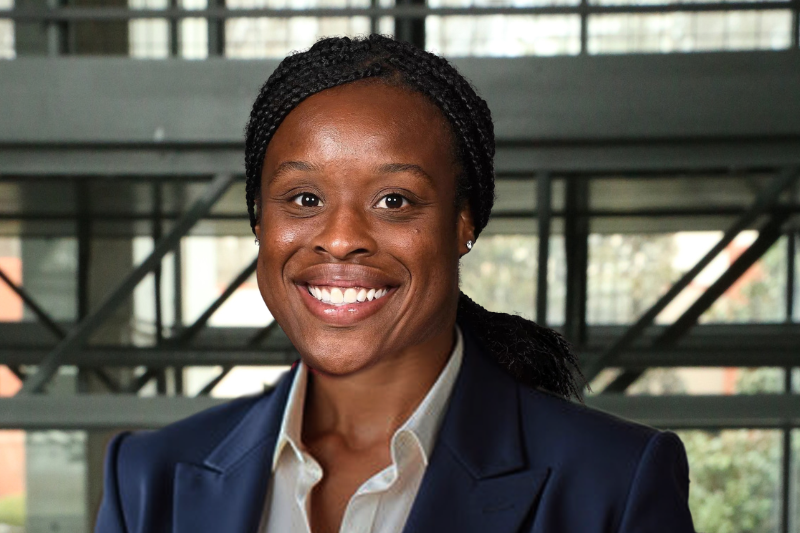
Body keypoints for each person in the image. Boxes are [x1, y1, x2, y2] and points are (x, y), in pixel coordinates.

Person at [95, 35, 695, 533]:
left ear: (464, 222)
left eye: (393, 200)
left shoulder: (613, 482)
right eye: (304, 198)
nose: (339, 238)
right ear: (259, 220)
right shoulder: (150, 480)